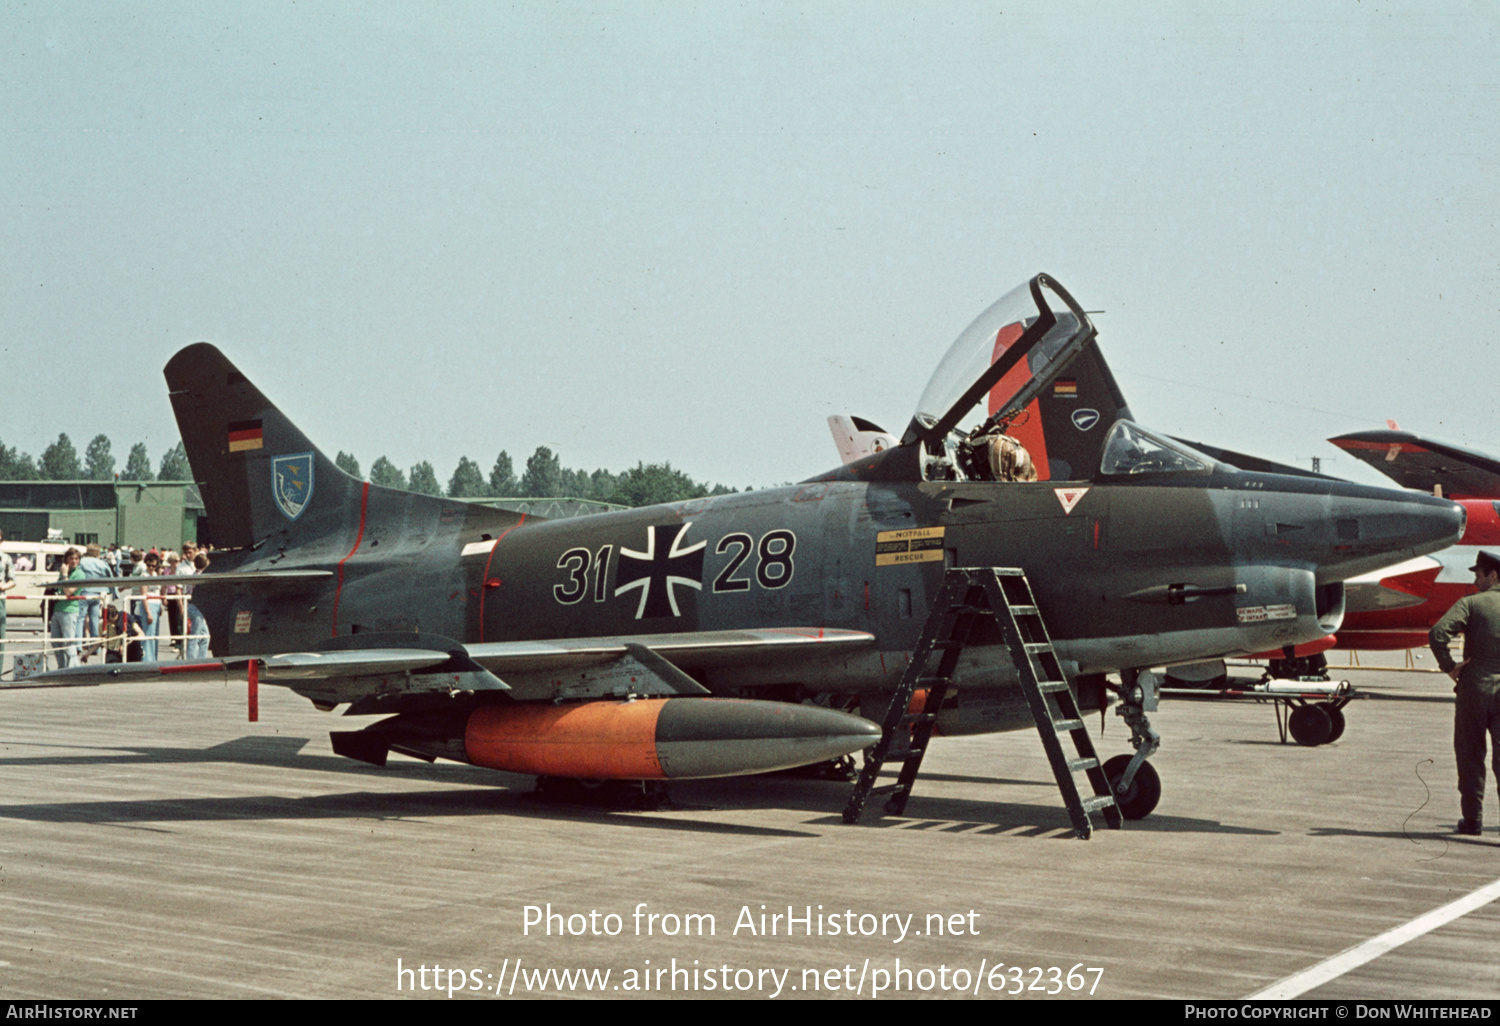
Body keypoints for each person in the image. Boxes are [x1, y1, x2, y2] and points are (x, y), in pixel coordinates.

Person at [1428, 549, 1500, 837]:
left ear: (1493, 575)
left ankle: (1473, 821)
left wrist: (1450, 667)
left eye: (1479, 575)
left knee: (1470, 756)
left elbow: (1437, 634)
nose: (1475, 582)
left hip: (1474, 689)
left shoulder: (1471, 604)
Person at [49, 548, 86, 668]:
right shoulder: (64, 571)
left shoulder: (79, 574)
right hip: (58, 608)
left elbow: (68, 591)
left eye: (76, 559)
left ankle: (73, 668)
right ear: (66, 560)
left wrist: (64, 575)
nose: (74, 561)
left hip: (69, 610)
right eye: (71, 559)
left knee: (68, 642)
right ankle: (61, 667)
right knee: (56, 642)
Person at [0, 528, 13, 660]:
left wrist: (3, 586)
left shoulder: (6, 558)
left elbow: (13, 580)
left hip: (0, 599)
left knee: (0, 638)